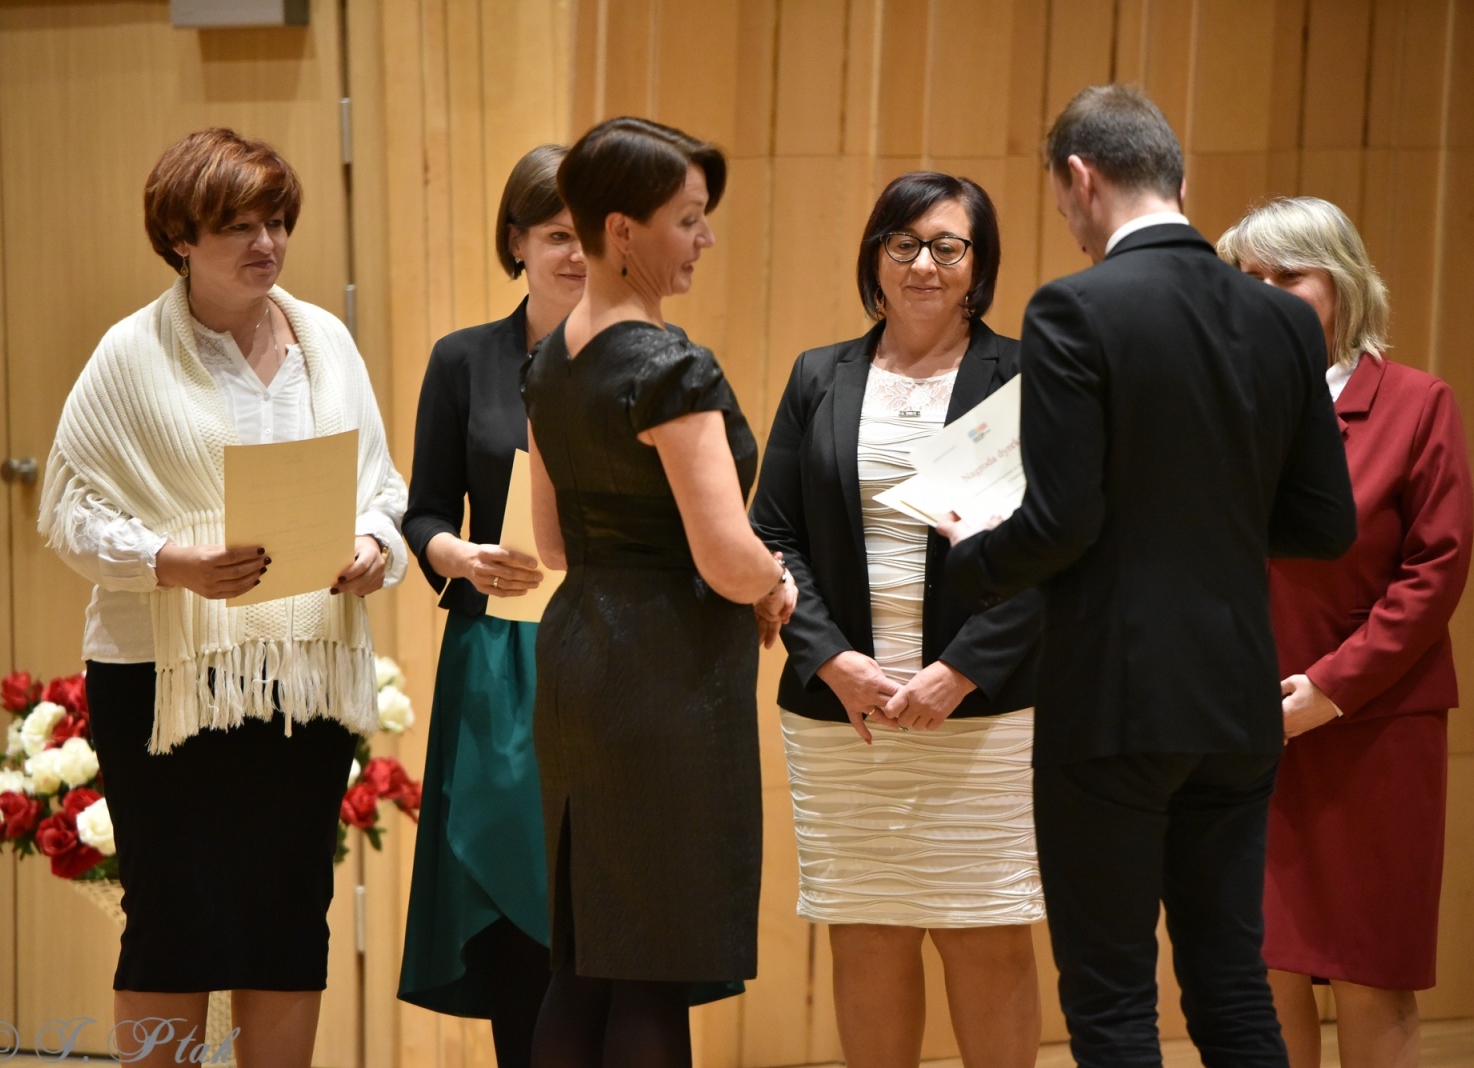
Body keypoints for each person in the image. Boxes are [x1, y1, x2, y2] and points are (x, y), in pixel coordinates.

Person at [940, 86, 1357, 1067]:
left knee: (1112, 995)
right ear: (1177, 175)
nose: (1070, 226)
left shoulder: (1075, 306)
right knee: (1228, 979)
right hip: (1237, 701)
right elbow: (1323, 524)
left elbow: (1061, 520)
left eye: (1060, 203)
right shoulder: (1282, 323)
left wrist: (973, 564)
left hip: (1116, 702)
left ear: (1081, 179)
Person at [38, 127, 407, 1068]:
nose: (266, 244)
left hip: (301, 672)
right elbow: (68, 511)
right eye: (238, 225)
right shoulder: (129, 354)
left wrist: (373, 546)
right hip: (163, 679)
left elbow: (382, 486)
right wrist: (171, 560)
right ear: (180, 239)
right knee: (173, 913)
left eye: (277, 221)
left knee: (290, 909)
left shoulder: (326, 337)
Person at [751, 171, 1044, 1068]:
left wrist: (960, 670)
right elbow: (773, 532)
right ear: (875, 257)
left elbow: (1061, 543)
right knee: (867, 934)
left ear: (978, 266)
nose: (924, 264)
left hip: (985, 711)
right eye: (903, 243)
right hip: (851, 715)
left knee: (985, 932)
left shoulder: (1027, 375)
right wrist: (832, 660)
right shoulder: (819, 376)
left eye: (947, 246)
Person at [520, 116, 796, 1067]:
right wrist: (775, 583)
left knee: (588, 957)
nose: (704, 239)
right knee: (648, 965)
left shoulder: (547, 362)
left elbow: (552, 545)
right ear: (623, 231)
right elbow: (726, 554)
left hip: (577, 664)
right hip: (665, 677)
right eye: (688, 219)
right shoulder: (671, 367)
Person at [1217, 197, 1474, 1068]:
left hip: (1374, 730)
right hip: (1244, 726)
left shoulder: (1415, 404)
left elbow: (1433, 573)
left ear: (1343, 285)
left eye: (1287, 277)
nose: (1262, 294)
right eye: (1246, 279)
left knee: (1370, 971)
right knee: (1266, 969)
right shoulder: (1219, 409)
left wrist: (1327, 690)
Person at [396, 145, 579, 1067]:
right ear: (517, 241)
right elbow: (421, 506)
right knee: (515, 895)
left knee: (608, 904)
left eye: (594, 234)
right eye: (556, 234)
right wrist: (455, 555)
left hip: (608, 652)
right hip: (499, 659)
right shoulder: (463, 359)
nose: (577, 254)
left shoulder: (655, 359)